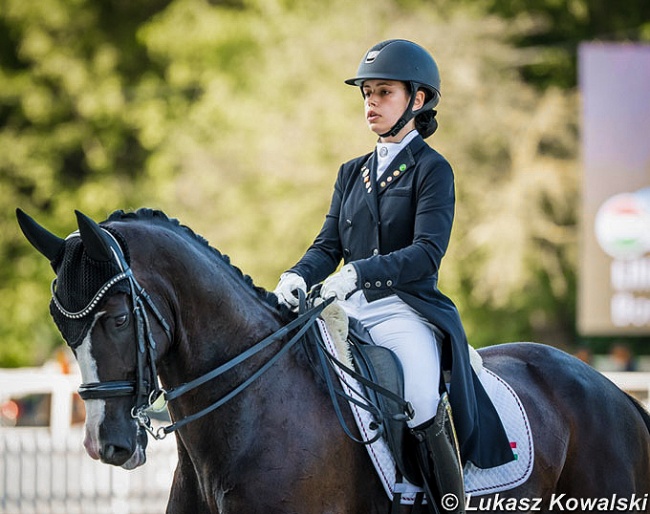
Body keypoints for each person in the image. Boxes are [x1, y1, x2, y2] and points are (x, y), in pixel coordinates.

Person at [274, 39, 513, 512]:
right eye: (367, 93)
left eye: (384, 92)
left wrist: (359, 273)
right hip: (348, 309)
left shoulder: (432, 169)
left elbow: (427, 253)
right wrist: (296, 275)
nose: (371, 104)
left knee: (422, 399)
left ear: (417, 100)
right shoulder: (351, 173)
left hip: (406, 311)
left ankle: (446, 502)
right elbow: (327, 247)